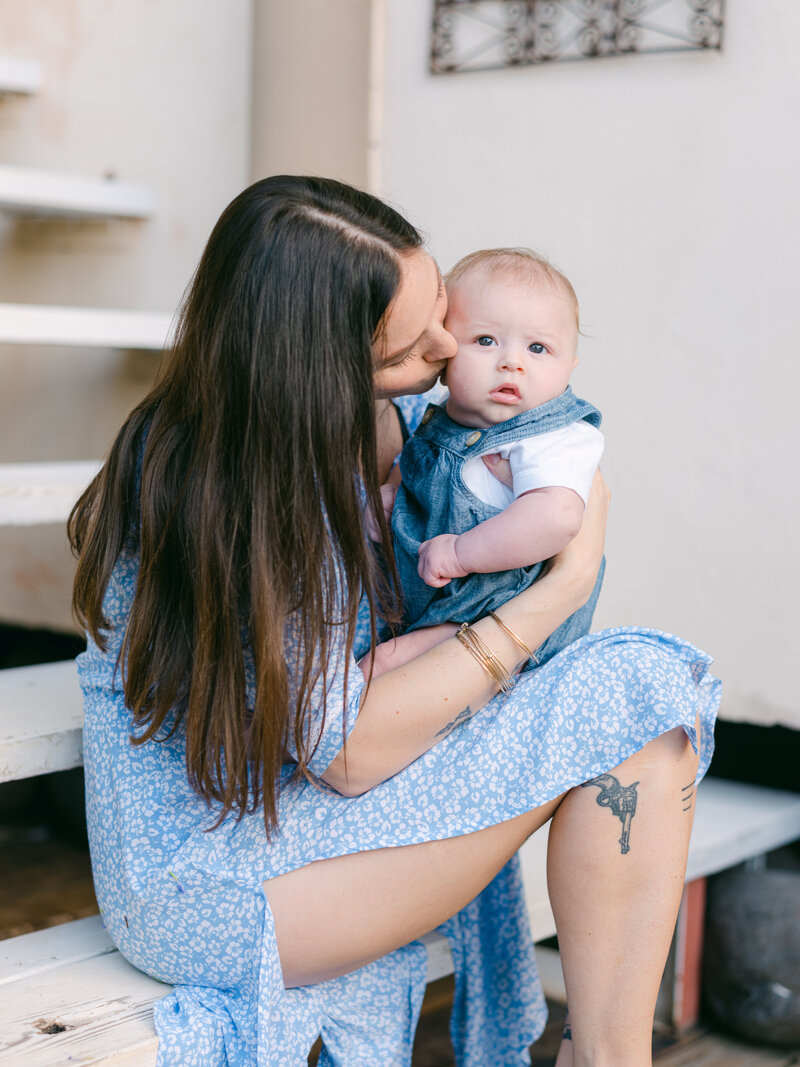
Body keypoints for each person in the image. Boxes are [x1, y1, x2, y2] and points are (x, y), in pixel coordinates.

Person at [69, 175, 720, 1067]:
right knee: (631, 689)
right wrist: (549, 602)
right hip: (207, 883)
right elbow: (348, 754)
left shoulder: (394, 421)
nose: (453, 346)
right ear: (320, 372)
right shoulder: (222, 489)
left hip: (305, 793)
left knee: (644, 715)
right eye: (415, 346)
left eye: (442, 311)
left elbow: (568, 485)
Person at [388, 247, 606, 672]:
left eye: (539, 348)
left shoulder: (554, 437)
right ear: (445, 351)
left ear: (570, 367)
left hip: (494, 611)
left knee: (375, 673)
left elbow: (555, 518)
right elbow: (420, 465)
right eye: (485, 341)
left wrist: (461, 554)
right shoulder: (441, 416)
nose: (512, 362)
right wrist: (392, 496)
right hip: (439, 602)